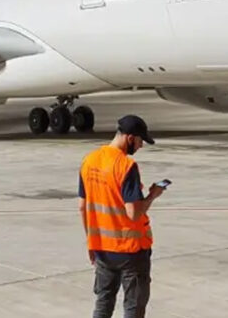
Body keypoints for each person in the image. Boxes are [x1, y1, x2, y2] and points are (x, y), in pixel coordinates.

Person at [79, 115, 164, 318]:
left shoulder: (89, 161)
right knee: (133, 307)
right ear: (129, 138)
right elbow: (133, 213)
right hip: (130, 250)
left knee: (103, 302)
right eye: (140, 140)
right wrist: (153, 195)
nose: (141, 145)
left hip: (102, 249)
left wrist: (91, 241)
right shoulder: (125, 166)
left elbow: (82, 206)